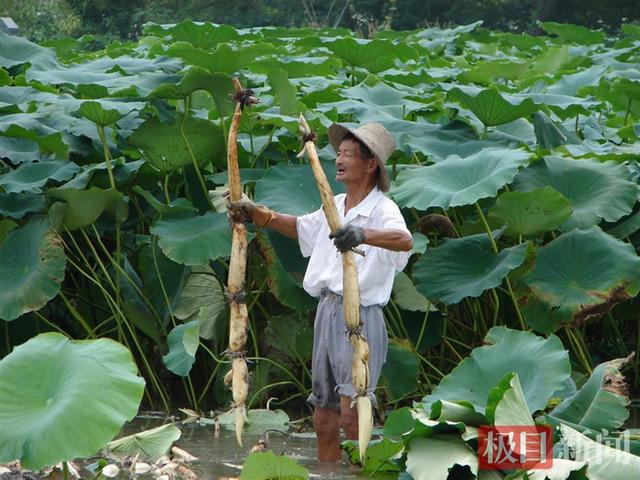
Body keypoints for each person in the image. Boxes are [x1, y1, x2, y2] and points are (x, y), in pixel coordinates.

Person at [227, 122, 413, 462]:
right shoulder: (336, 203)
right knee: (324, 419)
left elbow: (405, 241)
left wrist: (362, 234)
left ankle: (367, 471)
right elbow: (301, 229)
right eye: (338, 153)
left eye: (347, 155)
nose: (338, 160)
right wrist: (256, 213)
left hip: (360, 317)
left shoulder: (383, 210)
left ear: (370, 164)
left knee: (353, 418)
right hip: (326, 313)